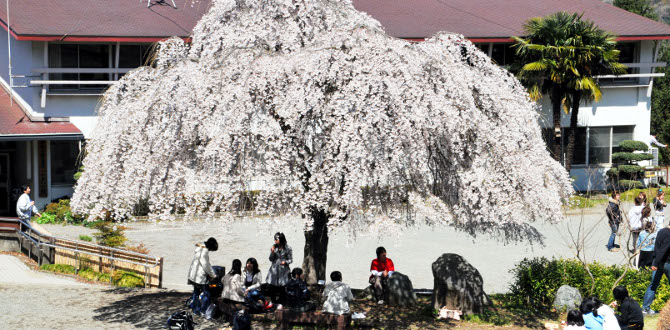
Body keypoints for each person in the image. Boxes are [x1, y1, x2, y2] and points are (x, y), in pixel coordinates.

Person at [641, 222, 670, 314]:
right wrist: (656, 263)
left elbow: (657, 247)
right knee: (653, 284)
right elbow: (663, 250)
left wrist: (655, 261)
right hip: (666, 262)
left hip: (657, 261)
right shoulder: (669, 234)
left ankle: (645, 308)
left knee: (653, 285)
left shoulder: (661, 231)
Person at [187, 237, 218, 315]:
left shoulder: (199, 248)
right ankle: (203, 310)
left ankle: (195, 309)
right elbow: (205, 265)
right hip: (200, 277)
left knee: (196, 292)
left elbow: (205, 263)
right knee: (206, 293)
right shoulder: (204, 252)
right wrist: (213, 275)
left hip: (193, 274)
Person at [266, 232, 292, 303]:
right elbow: (270, 259)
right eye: (274, 239)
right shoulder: (274, 247)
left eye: (276, 239)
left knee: (282, 287)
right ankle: (273, 301)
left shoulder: (288, 248)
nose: (275, 241)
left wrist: (285, 262)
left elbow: (290, 260)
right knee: (272, 286)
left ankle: (282, 301)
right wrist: (272, 252)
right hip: (274, 269)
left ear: (281, 239)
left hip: (283, 269)